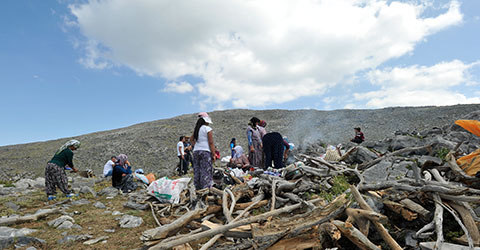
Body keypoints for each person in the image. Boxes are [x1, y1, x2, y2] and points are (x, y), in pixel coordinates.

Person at [191, 112, 215, 190]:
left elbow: (191, 139)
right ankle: (205, 189)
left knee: (197, 170)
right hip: (205, 151)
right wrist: (213, 154)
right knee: (205, 171)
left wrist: (196, 145)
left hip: (196, 151)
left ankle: (197, 187)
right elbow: (211, 142)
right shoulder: (208, 129)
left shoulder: (197, 129)